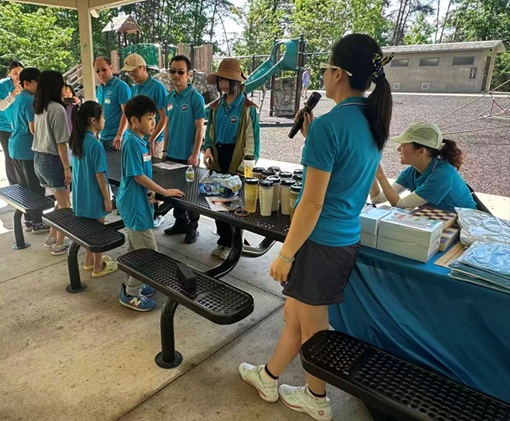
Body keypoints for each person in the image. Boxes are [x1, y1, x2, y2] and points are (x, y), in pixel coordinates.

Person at [238, 34, 394, 421]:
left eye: (325, 69)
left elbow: (312, 202)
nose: (322, 76)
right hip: (344, 240)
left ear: (338, 73)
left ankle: (317, 398)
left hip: (319, 243)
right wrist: (313, 139)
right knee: (295, 316)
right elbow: (353, 176)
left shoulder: (330, 126)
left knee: (314, 328)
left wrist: (285, 254)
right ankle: (269, 377)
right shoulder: (372, 121)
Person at [116, 95, 184, 311]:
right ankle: (131, 293)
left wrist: (151, 191)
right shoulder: (131, 142)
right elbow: (137, 175)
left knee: (135, 247)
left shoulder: (139, 140)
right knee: (148, 253)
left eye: (154, 118)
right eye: (149, 119)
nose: (154, 123)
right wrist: (163, 191)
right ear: (134, 121)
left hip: (139, 201)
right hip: (133, 204)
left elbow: (142, 173)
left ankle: (131, 283)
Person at [202, 58, 260, 260]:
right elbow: (209, 132)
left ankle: (235, 243)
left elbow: (252, 141)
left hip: (237, 160)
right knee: (217, 200)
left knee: (235, 203)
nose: (223, 84)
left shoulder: (247, 108)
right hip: (218, 158)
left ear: (237, 82)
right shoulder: (216, 106)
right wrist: (207, 148)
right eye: (220, 80)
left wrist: (245, 166)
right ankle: (224, 240)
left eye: (227, 79)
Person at [370, 122, 476, 211]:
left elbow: (400, 205)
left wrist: (380, 175)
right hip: (440, 222)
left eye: (403, 145)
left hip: (464, 225)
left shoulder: (442, 175)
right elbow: (376, 199)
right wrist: (370, 169)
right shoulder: (411, 171)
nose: (398, 149)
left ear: (421, 151)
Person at [69, 100, 118, 277]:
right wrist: (107, 198)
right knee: (98, 233)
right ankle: (98, 266)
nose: (105, 119)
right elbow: (100, 175)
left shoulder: (77, 140)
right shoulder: (95, 144)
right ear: (93, 120)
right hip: (94, 196)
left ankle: (89, 261)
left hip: (80, 196)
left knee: (89, 232)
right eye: (102, 116)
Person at [121, 53, 170, 228]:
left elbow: (163, 117)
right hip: (140, 139)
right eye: (129, 72)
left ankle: (155, 211)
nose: (131, 75)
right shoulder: (134, 88)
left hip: (152, 140)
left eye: (134, 71)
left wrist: (152, 138)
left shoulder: (157, 87)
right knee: (141, 174)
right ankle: (151, 208)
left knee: (152, 174)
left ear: (143, 68)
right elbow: (129, 115)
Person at [162, 55, 206, 244]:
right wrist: (164, 151)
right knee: (175, 192)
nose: (176, 75)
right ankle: (180, 223)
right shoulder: (169, 98)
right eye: (173, 71)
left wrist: (195, 153)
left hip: (189, 157)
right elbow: (167, 126)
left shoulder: (196, 98)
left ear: (189, 74)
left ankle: (192, 227)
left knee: (192, 195)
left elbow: (200, 128)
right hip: (172, 155)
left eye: (180, 72)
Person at [32, 70, 73, 256]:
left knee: (60, 201)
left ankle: (51, 237)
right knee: (66, 206)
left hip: (39, 159)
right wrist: (66, 168)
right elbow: (61, 142)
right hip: (52, 160)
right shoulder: (57, 108)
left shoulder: (40, 107)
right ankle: (60, 243)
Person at [7, 67, 49, 234]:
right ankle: (38, 222)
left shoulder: (17, 98)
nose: (40, 85)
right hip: (26, 149)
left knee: (24, 187)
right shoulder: (30, 101)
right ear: (27, 83)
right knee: (35, 187)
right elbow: (33, 129)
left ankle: (29, 220)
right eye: (37, 82)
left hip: (15, 147)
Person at [0, 60, 24, 185]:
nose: (18, 76)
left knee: (20, 154)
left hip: (19, 125)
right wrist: (14, 93)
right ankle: (13, 184)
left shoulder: (26, 84)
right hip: (3, 125)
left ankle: (22, 182)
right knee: (9, 155)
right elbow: (1, 106)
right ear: (9, 73)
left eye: (20, 73)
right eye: (15, 73)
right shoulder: (2, 85)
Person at [94, 57, 131, 149]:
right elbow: (100, 112)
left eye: (104, 69)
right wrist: (96, 133)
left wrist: (119, 134)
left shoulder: (121, 87)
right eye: (97, 71)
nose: (101, 73)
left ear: (111, 68)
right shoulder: (99, 89)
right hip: (103, 137)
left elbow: (127, 113)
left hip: (117, 139)